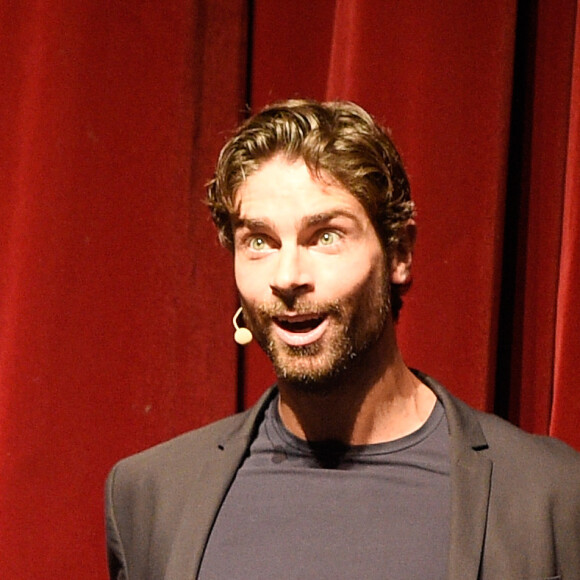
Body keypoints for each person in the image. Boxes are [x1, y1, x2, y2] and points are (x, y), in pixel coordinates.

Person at [105, 99, 580, 579]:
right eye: (260, 241)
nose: (288, 277)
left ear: (398, 254)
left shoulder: (550, 493)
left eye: (325, 236)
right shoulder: (151, 495)